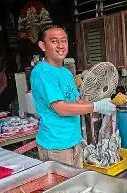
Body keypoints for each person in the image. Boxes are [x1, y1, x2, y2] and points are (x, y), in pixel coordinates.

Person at [30, 24, 116, 168]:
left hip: (74, 140)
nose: (60, 45)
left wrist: (99, 102)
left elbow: (76, 100)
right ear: (42, 46)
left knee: (76, 187)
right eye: (54, 41)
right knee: (64, 190)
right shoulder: (42, 72)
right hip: (56, 146)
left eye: (63, 41)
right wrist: (96, 106)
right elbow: (61, 108)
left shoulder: (66, 73)